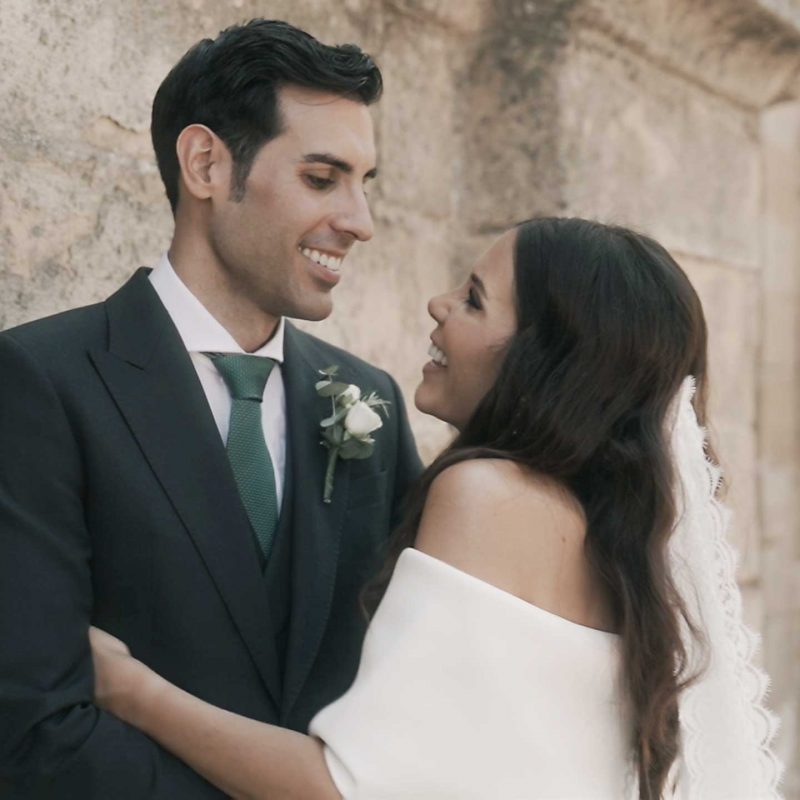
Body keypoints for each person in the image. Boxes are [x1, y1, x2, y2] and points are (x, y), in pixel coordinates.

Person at [89, 217, 783, 799]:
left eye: (475, 299)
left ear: (546, 360)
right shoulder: (626, 537)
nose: (438, 304)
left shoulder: (486, 496)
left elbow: (344, 788)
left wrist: (128, 690)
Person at [0, 20, 421, 799]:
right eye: (324, 178)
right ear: (205, 164)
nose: (360, 220)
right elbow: (32, 729)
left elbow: (415, 686)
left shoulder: (375, 405)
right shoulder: (38, 382)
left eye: (368, 183)